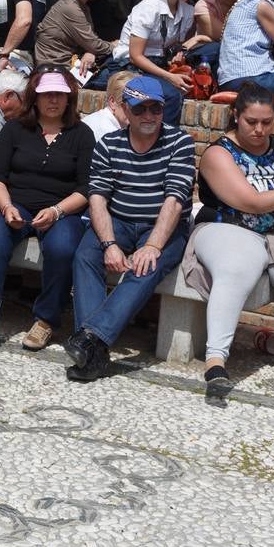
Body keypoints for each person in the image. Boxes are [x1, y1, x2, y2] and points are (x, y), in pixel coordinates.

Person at [68, 76, 195, 381]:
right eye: (140, 109)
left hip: (164, 226)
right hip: (120, 221)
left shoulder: (180, 142)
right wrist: (109, 243)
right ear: (125, 109)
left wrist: (152, 245)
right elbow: (97, 197)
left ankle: (89, 340)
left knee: (145, 267)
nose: (148, 116)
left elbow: (175, 201)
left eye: (155, 109)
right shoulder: (109, 144)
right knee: (86, 255)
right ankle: (94, 352)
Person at [0, 67, 94, 354]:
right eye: (46, 94)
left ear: (69, 98)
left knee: (63, 248)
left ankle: (46, 319)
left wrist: (57, 211)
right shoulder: (15, 129)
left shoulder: (82, 135)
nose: (53, 100)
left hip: (62, 209)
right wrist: (6, 206)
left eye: (59, 94)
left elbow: (86, 188)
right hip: (16, 204)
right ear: (34, 98)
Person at [190, 83, 274, 396]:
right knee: (237, 267)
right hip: (225, 228)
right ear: (236, 116)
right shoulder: (218, 153)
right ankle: (215, 361)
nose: (260, 129)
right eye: (252, 122)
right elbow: (252, 202)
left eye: (267, 122)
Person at [33, 0, 115, 79]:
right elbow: (94, 44)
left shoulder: (81, 5)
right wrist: (115, 45)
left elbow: (89, 42)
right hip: (53, 71)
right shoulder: (70, 6)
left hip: (68, 66)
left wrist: (90, 51)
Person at [82, 70, 133, 142]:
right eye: (130, 105)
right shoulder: (108, 134)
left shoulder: (101, 119)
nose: (137, 113)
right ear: (113, 102)